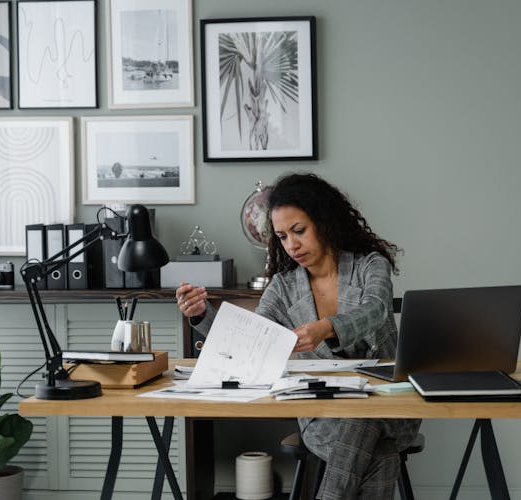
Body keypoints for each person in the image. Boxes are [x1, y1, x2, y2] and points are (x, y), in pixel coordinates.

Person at [175, 172, 421, 499]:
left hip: (390, 407)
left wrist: (327, 328)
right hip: (324, 416)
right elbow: (252, 342)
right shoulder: (283, 286)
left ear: (325, 220)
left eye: (299, 231)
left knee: (366, 420)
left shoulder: (369, 265)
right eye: (281, 236)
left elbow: (375, 309)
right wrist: (201, 314)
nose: (291, 245)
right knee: (381, 452)